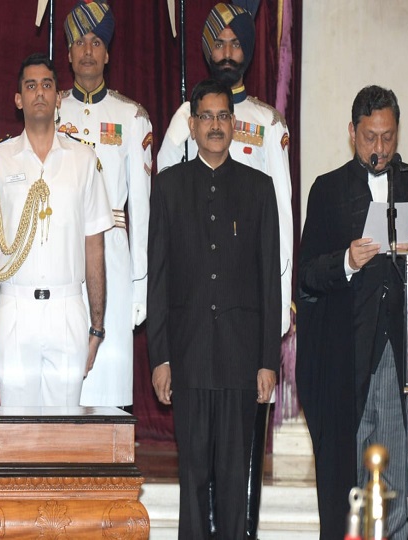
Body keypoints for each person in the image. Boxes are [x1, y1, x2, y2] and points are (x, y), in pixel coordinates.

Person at [157, 5, 293, 534]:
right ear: (192, 126)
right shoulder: (169, 188)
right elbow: (162, 273)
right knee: (193, 479)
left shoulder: (257, 190)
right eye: (205, 118)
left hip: (241, 361)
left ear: (234, 126)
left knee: (237, 481)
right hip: (188, 358)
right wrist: (162, 356)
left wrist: (268, 359)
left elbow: (268, 275)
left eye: (222, 118)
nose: (215, 126)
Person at [296, 85, 408, 540]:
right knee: (351, 482)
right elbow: (306, 274)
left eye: (387, 137)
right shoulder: (327, 189)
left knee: (401, 476)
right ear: (351, 133)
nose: (379, 149)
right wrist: (346, 260)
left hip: (402, 357)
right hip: (346, 359)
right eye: (369, 138)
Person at [0, 53, 113, 407]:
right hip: (15, 310)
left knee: (64, 438)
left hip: (67, 308)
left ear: (58, 97)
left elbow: (94, 249)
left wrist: (96, 327)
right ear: (18, 99)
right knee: (17, 437)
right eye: (30, 86)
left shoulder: (84, 161)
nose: (39, 93)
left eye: (47, 85)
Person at [59, 0, 152, 408]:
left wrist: (140, 286)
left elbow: (144, 209)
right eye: (79, 41)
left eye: (96, 41)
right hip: (59, 249)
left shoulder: (131, 117)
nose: (88, 50)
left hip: (113, 256)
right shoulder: (53, 109)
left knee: (109, 382)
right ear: (68, 54)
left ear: (108, 52)